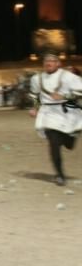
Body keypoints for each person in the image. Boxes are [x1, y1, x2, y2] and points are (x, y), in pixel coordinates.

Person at [29, 52, 82, 186]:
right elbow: (35, 95)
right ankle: (59, 174)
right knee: (53, 144)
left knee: (69, 145)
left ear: (58, 63)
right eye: (46, 61)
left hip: (67, 111)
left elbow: (80, 92)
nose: (48, 63)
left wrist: (65, 96)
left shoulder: (68, 76)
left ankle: (70, 137)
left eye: (52, 61)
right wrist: (35, 107)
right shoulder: (37, 78)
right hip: (48, 113)